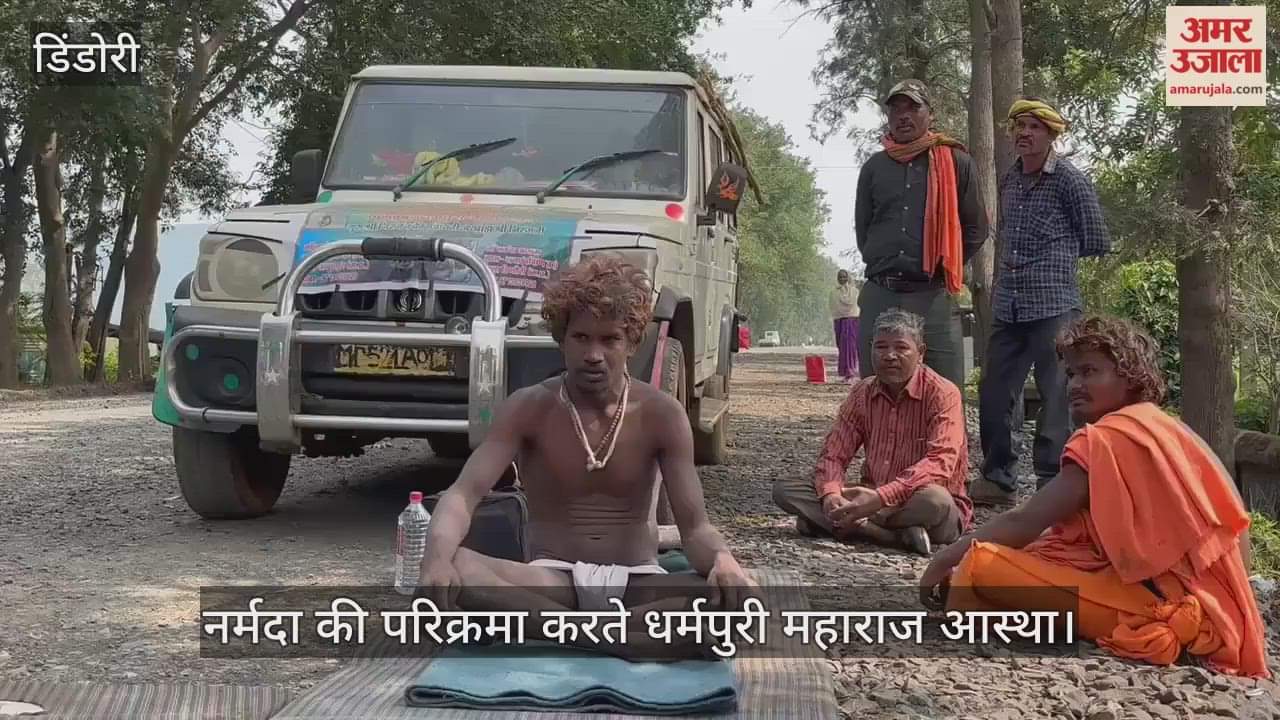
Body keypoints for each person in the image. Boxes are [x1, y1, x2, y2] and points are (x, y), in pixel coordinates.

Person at [416, 255, 756, 660]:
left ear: (632, 342)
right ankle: (627, 641)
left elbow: (695, 529)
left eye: (609, 339)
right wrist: (435, 559)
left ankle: (557, 633)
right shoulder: (528, 408)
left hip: (637, 583)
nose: (594, 354)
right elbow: (462, 496)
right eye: (581, 338)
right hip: (549, 580)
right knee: (459, 567)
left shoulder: (662, 414)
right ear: (562, 338)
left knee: (742, 604)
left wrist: (722, 559)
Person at [919, 315, 1270, 678]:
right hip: (1217, 606)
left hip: (1167, 611)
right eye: (1070, 374)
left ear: (1130, 376)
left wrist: (942, 558)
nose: (1074, 384)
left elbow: (1023, 522)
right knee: (1030, 554)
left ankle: (1152, 629)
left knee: (978, 566)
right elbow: (1236, 525)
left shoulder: (1103, 440)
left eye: (1089, 372)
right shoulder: (1168, 428)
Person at [972, 97, 1111, 506]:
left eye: (1034, 127)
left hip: (1054, 307)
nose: (1024, 134)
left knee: (1058, 395)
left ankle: (1051, 483)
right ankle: (998, 479)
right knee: (995, 391)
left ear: (1051, 134)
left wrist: (1053, 262)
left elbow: (1096, 239)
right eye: (1019, 126)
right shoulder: (1009, 179)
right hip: (1008, 306)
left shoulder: (1070, 179)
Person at [773, 308, 974, 556]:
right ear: (870, 350)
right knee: (786, 489)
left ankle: (845, 526)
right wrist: (831, 495)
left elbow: (940, 463)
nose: (890, 356)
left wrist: (880, 498)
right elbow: (833, 454)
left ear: (920, 353)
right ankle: (890, 536)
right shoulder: (862, 393)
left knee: (935, 501)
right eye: (881, 347)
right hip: (870, 496)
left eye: (901, 348)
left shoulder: (943, 394)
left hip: (918, 501)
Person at [853, 79, 988, 393]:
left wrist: (944, 264)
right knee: (873, 391)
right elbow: (864, 229)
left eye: (913, 107)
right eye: (895, 109)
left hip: (934, 295)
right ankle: (884, 444)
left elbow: (976, 228)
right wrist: (884, 259)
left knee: (945, 391)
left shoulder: (956, 162)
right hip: (880, 292)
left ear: (931, 114)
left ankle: (943, 445)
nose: (903, 115)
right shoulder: (874, 167)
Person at [830, 269, 861, 381]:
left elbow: (854, 305)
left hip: (851, 320)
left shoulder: (855, 291)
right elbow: (833, 307)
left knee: (850, 347)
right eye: (840, 277)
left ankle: (851, 373)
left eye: (844, 277)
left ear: (848, 278)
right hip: (839, 320)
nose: (842, 279)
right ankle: (845, 373)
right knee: (842, 347)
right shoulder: (833, 292)